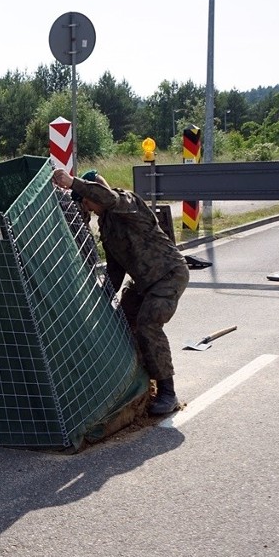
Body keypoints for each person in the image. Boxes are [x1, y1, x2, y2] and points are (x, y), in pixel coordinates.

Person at [52, 167, 190, 415]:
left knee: (148, 323)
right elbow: (116, 269)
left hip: (167, 276)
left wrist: (72, 182)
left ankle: (167, 392)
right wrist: (103, 298)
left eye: (86, 200)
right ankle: (136, 380)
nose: (87, 207)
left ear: (97, 192)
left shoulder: (127, 202)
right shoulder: (106, 225)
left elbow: (109, 199)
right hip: (143, 283)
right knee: (122, 321)